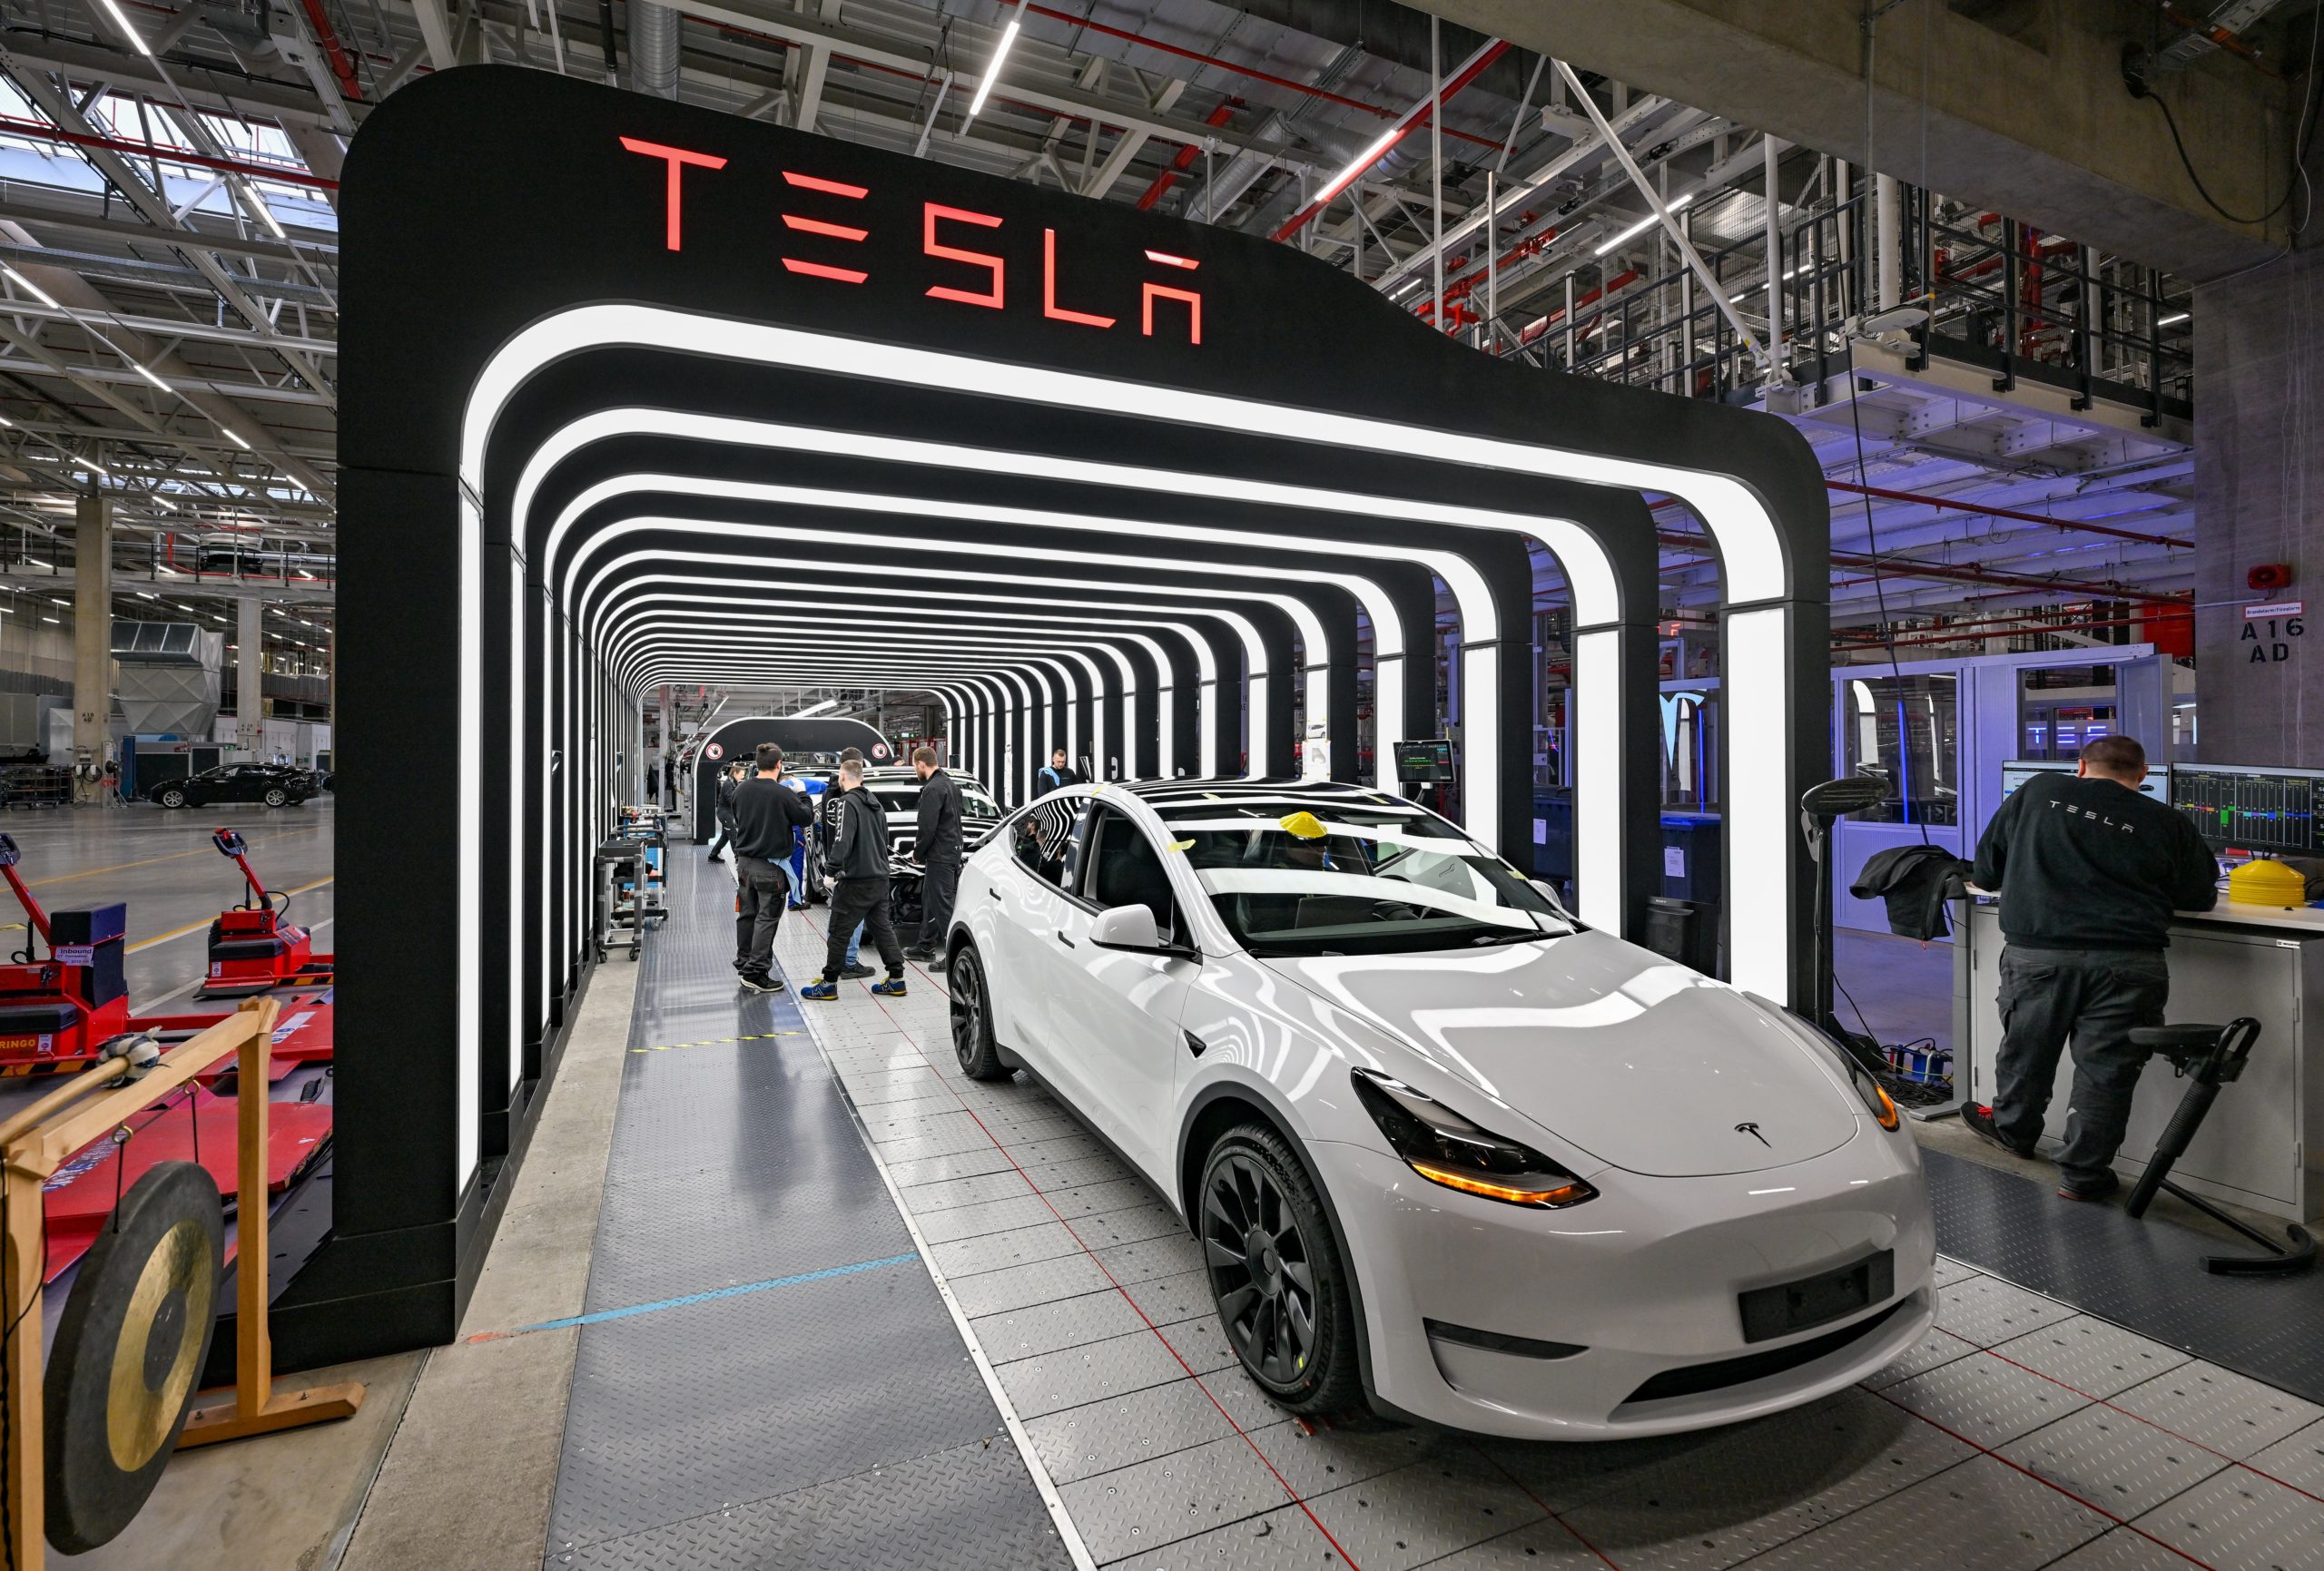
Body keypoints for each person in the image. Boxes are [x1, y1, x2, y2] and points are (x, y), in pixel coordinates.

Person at [1963, 735, 2221, 1202]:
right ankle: (2083, 1177)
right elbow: (2199, 896)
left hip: (2038, 956)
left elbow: (1985, 874)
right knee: (2106, 1073)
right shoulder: (2167, 821)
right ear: (2142, 776)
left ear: (2081, 767)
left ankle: (2013, 1132)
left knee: (2026, 1051)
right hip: (2129, 964)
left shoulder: (2038, 791)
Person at [802, 758, 907, 999]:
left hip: (855, 880)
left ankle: (828, 984)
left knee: (839, 931)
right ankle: (897, 979)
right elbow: (884, 840)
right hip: (880, 877)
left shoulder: (845, 803)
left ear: (843, 777)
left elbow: (842, 841)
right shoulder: (876, 803)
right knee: (883, 929)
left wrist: (830, 871)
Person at [729, 743, 816, 993]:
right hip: (770, 867)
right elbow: (806, 817)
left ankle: (745, 961)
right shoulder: (783, 794)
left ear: (757, 764)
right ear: (779, 765)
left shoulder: (740, 790)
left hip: (745, 864)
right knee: (767, 918)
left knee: (748, 914)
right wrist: (802, 795)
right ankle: (756, 972)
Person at [903, 746, 962, 968]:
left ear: (921, 764)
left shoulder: (932, 789)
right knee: (930, 900)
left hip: (940, 855)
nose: (915, 771)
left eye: (914, 766)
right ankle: (925, 946)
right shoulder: (950, 784)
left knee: (943, 906)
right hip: (950, 852)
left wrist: (918, 853)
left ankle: (954, 956)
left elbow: (926, 827)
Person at [817, 747, 872, 977]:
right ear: (857, 767)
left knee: (838, 914)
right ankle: (848, 962)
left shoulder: (829, 792)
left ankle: (836, 959)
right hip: (851, 864)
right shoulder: (852, 797)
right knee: (854, 916)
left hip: (834, 860)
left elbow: (826, 830)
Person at [705, 760, 745, 862]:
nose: (743, 777)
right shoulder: (728, 784)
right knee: (733, 835)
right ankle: (739, 857)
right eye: (742, 774)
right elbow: (730, 798)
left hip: (727, 812)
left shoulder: (733, 783)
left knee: (725, 837)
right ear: (735, 773)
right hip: (725, 813)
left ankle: (713, 855)